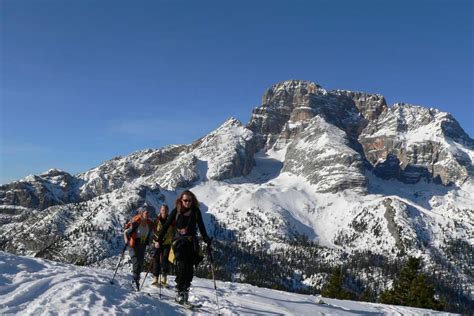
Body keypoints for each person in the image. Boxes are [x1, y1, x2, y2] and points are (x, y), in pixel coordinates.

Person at [157, 190, 211, 304]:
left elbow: (201, 226)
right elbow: (166, 225)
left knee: (189, 270)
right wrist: (159, 238)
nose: (187, 202)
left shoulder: (196, 212)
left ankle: (185, 292)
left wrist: (206, 238)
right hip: (179, 243)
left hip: (191, 243)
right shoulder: (176, 211)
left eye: (190, 200)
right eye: (185, 200)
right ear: (181, 200)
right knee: (181, 267)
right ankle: (179, 292)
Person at [123, 205, 155, 290]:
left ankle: (136, 280)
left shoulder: (150, 224)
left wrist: (152, 244)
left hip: (142, 245)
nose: (147, 214)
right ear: (141, 213)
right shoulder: (136, 222)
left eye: (148, 213)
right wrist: (126, 240)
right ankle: (134, 281)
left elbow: (151, 236)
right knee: (136, 262)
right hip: (133, 244)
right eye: (146, 213)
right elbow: (126, 232)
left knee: (140, 264)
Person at [151, 204, 174, 287]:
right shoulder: (156, 220)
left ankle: (164, 277)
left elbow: (173, 231)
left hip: (166, 243)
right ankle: (155, 278)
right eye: (163, 210)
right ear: (160, 211)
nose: (164, 211)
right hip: (157, 243)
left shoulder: (171, 220)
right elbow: (153, 232)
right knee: (156, 260)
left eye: (166, 210)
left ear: (168, 211)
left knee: (164, 260)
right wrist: (156, 241)